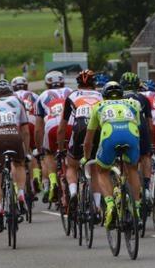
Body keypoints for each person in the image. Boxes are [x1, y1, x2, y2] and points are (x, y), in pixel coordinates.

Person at [83, 82, 142, 229]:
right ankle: (137, 210)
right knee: (133, 170)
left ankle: (110, 205)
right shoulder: (133, 104)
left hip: (109, 135)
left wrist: (86, 157)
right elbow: (139, 128)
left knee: (101, 170)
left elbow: (88, 139)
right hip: (131, 133)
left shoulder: (98, 106)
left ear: (104, 95)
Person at [0, 79, 31, 232]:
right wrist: (26, 152)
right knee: (19, 164)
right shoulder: (17, 101)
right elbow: (26, 131)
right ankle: (21, 194)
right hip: (14, 135)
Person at [57, 70, 103, 213]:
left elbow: (62, 128)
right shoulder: (101, 96)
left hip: (80, 127)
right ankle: (96, 206)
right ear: (93, 84)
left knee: (72, 165)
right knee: (94, 168)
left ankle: (73, 192)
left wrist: (61, 149)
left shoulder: (72, 96)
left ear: (78, 84)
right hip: (97, 129)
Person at [35, 71, 72, 203]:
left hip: (51, 126)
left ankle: (52, 181)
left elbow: (38, 128)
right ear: (63, 82)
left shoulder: (42, 96)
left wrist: (40, 150)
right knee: (72, 155)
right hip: (70, 124)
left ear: (47, 84)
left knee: (49, 154)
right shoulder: (70, 91)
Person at [120, 72, 153, 202]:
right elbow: (150, 125)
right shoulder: (143, 98)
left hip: (124, 127)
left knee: (126, 161)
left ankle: (125, 185)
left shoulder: (118, 98)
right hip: (141, 126)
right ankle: (146, 187)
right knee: (145, 156)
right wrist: (150, 144)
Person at [11, 76, 41, 193]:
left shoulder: (12, 97)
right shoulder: (34, 95)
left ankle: (17, 185)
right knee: (31, 151)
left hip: (18, 123)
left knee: (17, 159)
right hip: (32, 121)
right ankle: (36, 177)